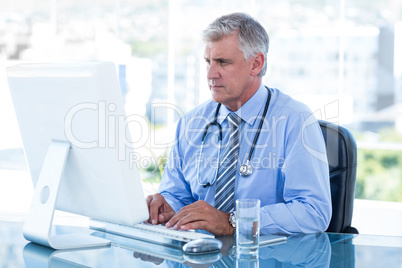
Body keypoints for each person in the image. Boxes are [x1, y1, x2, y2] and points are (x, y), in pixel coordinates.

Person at [146, 12, 332, 236]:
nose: (211, 74)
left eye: (223, 62)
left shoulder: (295, 120)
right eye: (208, 62)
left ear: (256, 64)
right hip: (202, 257)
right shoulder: (191, 122)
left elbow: (313, 213)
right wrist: (166, 207)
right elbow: (177, 194)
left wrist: (235, 222)